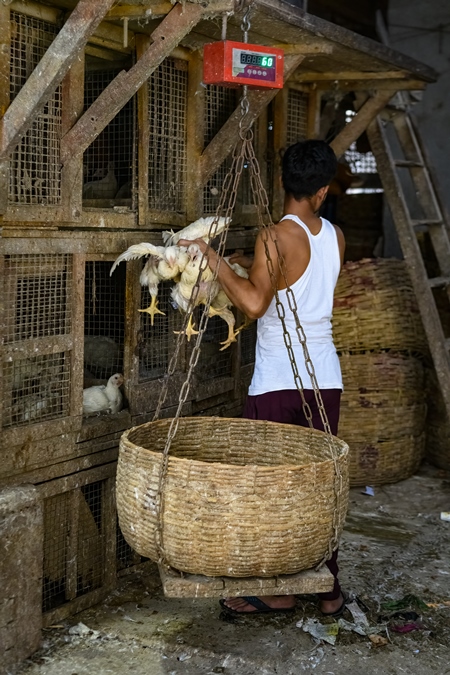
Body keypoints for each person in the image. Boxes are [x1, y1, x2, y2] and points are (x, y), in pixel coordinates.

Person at [179, 139, 346, 617]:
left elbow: (254, 304)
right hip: (324, 376)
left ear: (282, 183)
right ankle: (329, 588)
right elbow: (300, 281)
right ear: (322, 192)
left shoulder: (275, 236)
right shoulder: (334, 236)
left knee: (272, 487)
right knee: (320, 483)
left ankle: (278, 590)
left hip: (277, 379)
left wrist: (213, 261)